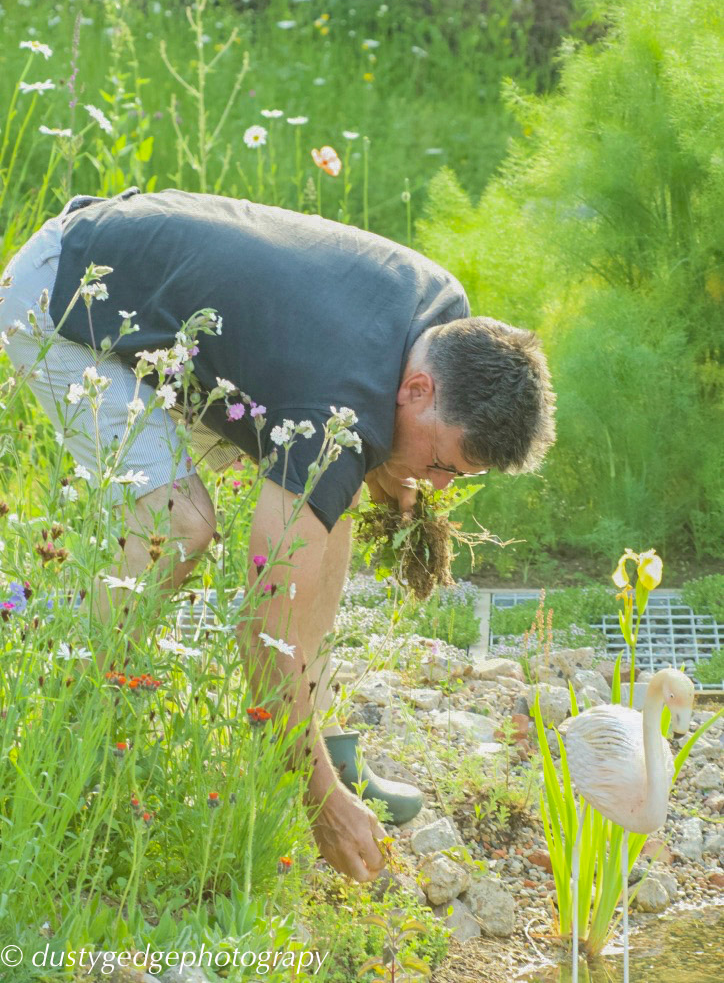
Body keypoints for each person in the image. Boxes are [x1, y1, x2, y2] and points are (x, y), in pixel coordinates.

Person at [0, 188, 555, 884]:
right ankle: (67, 732)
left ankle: (323, 733)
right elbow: (263, 628)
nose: (436, 487)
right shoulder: (341, 397)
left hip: (151, 289)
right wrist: (319, 803)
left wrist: (401, 461)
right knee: (182, 525)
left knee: (337, 486)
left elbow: (345, 458)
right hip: (66, 298)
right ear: (415, 390)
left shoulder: (443, 316)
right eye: (442, 464)